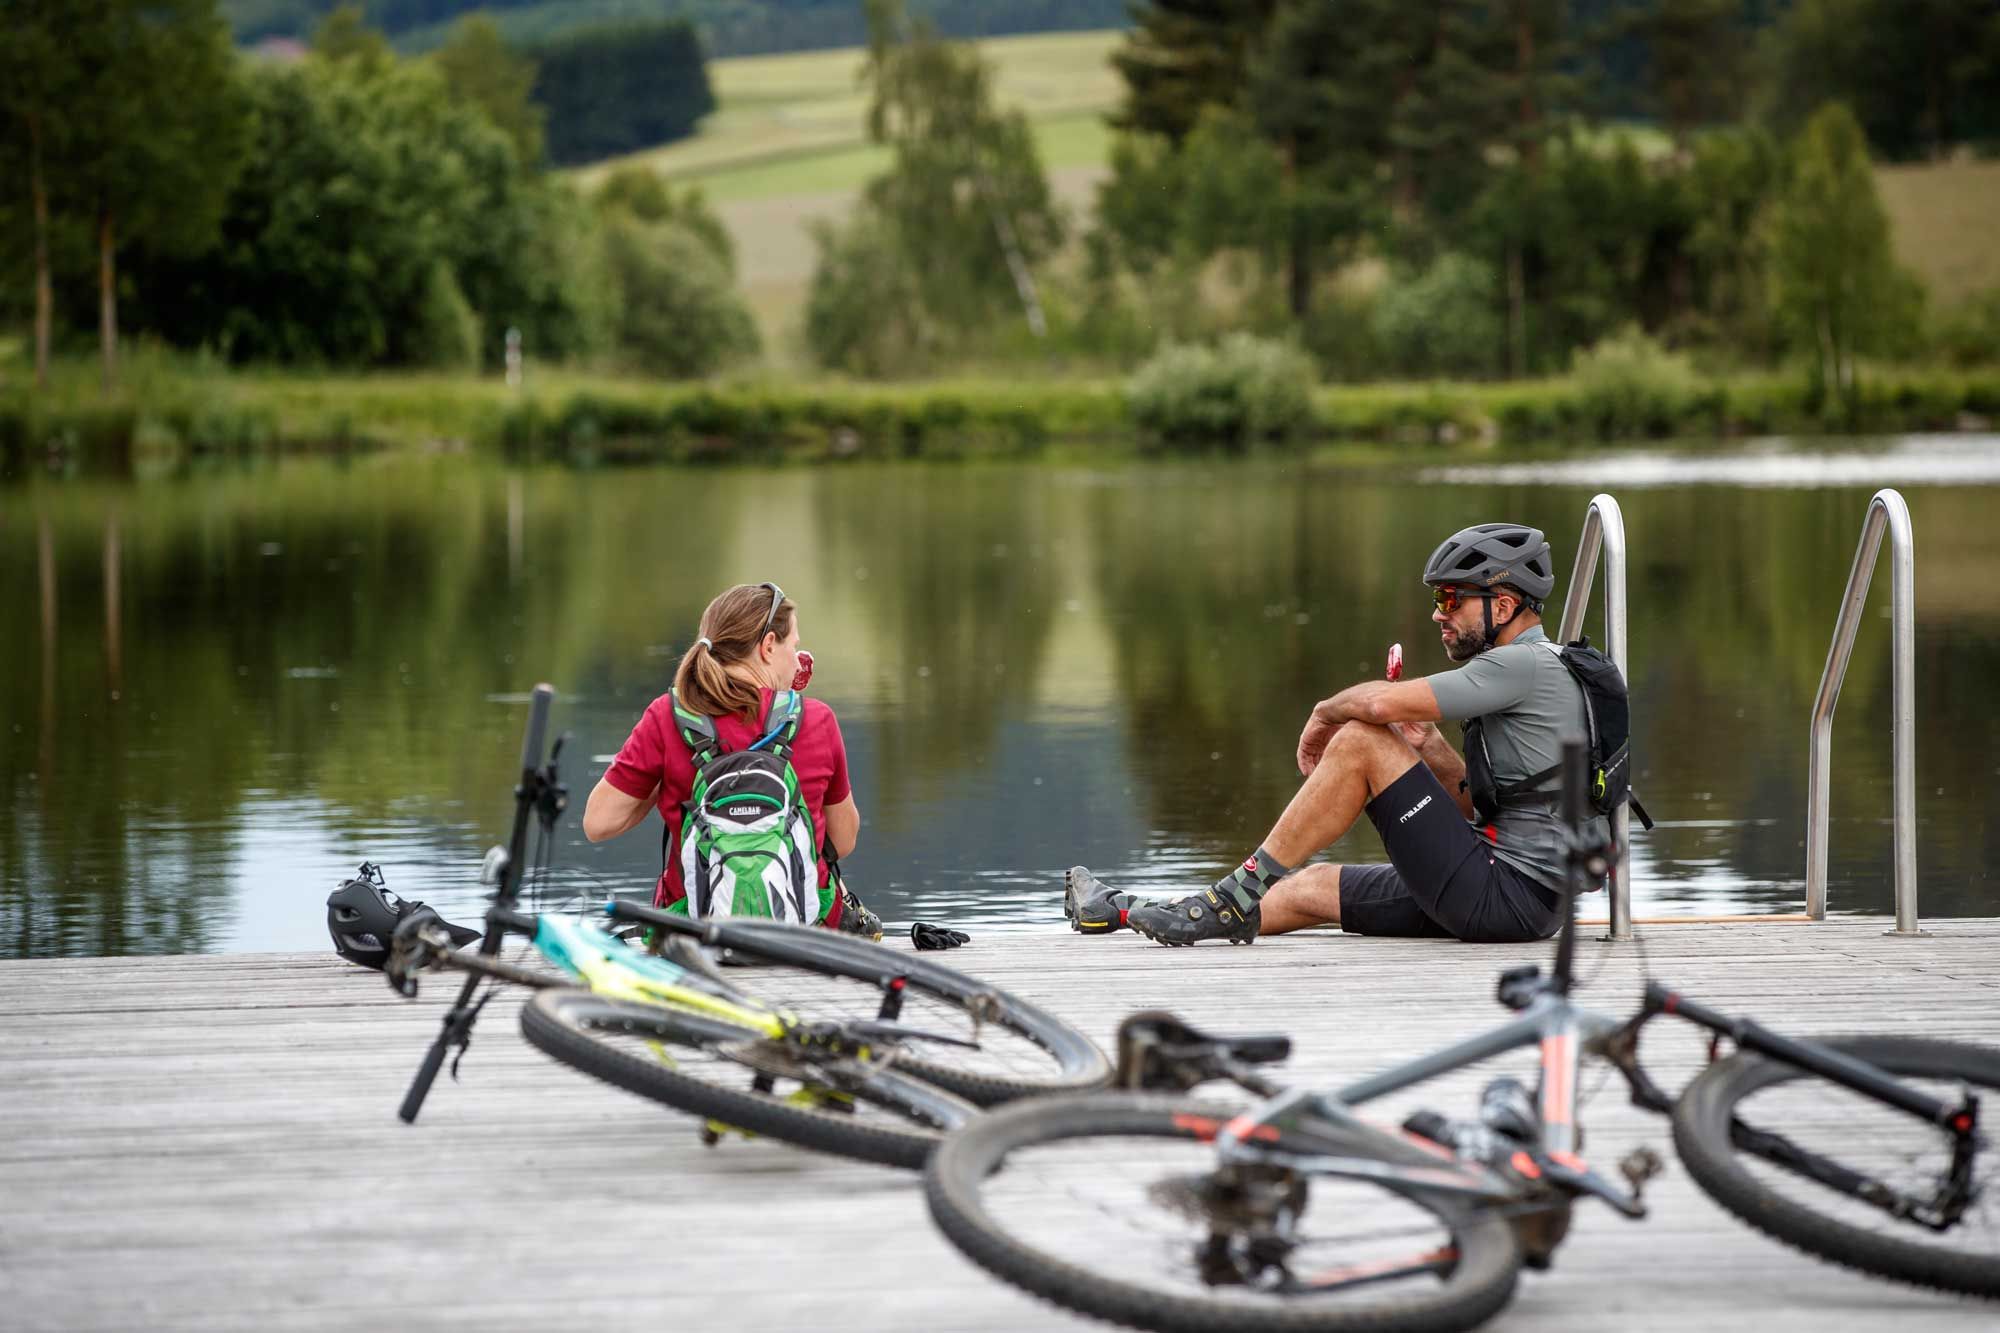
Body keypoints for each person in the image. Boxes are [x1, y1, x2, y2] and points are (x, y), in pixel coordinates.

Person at [1066, 522, 1609, 946]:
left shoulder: (1520, 666)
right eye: (1438, 600)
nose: (1438, 615)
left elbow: (1374, 703)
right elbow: (1489, 806)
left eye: (1452, 600)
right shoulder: (1538, 668)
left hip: (1504, 896)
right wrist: (1426, 748)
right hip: (1518, 899)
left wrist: (1324, 714)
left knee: (1359, 738)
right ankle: (1121, 910)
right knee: (1311, 887)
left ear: (1506, 605)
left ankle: (1232, 895)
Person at [582, 581, 878, 935]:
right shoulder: (816, 719)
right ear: (769, 645)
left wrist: (663, 782)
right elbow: (843, 841)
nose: (797, 660)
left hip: (694, 929)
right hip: (805, 931)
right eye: (794, 647)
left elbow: (597, 823)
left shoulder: (668, 716)